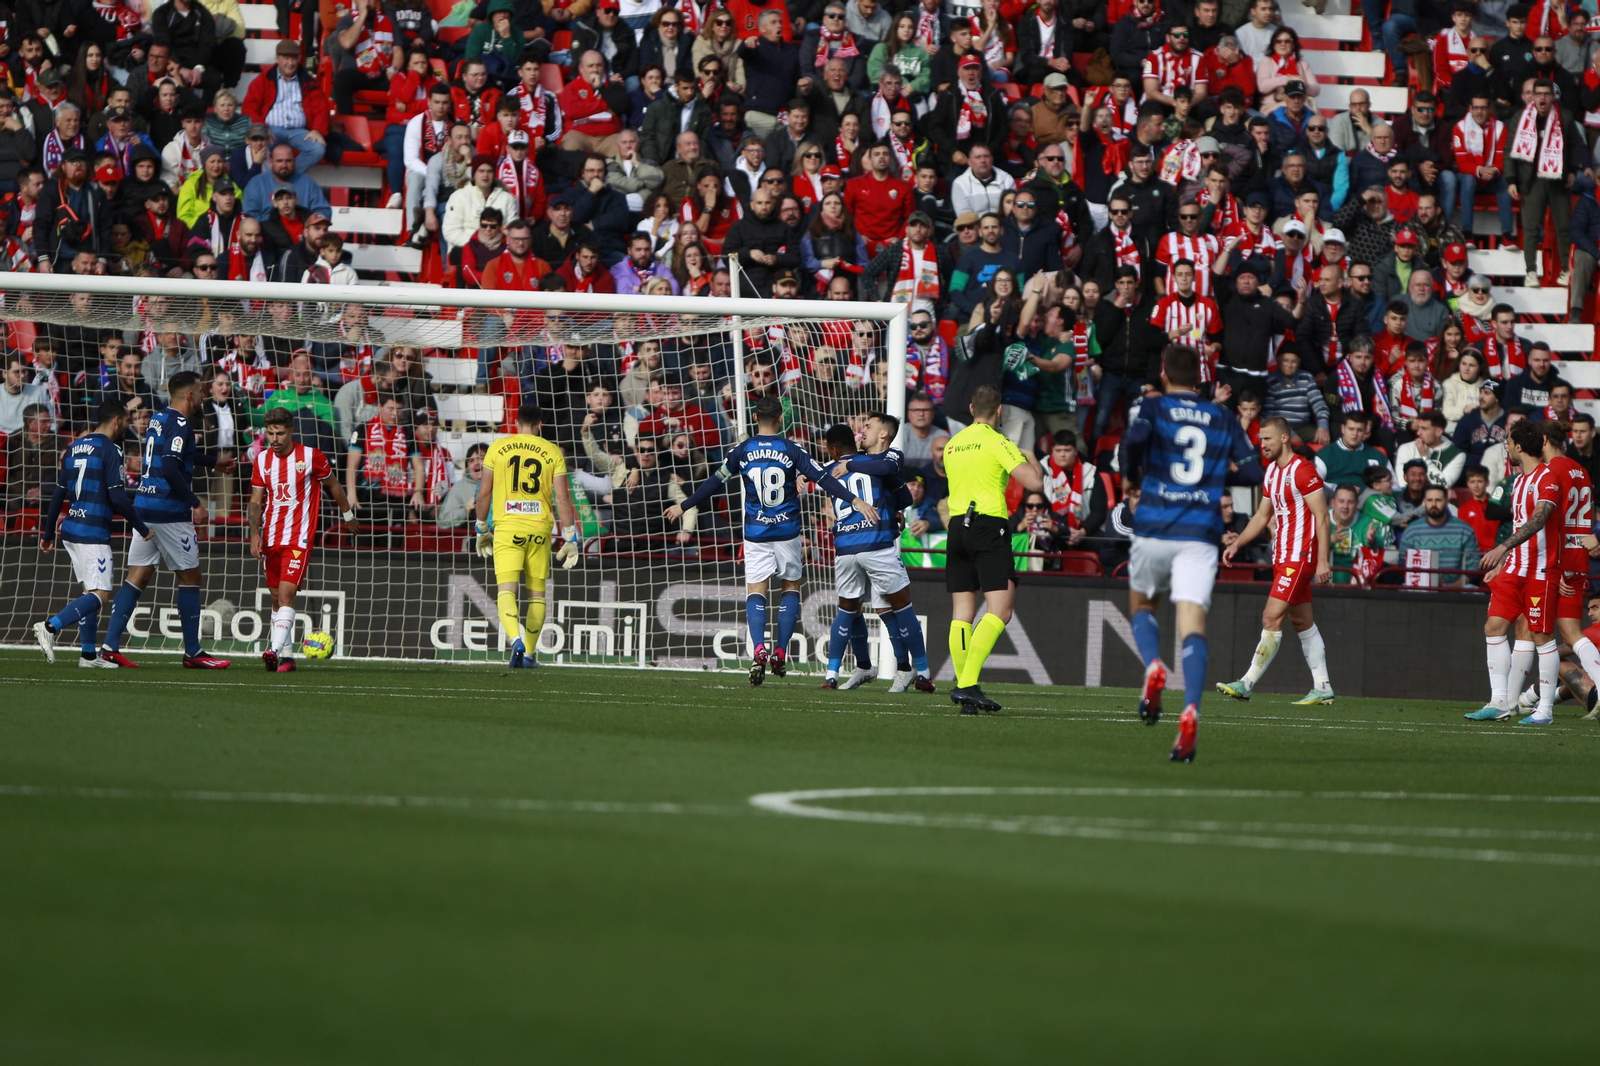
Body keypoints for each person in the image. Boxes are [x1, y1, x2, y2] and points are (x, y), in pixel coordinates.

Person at [667, 394, 878, 685]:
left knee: (756, 591)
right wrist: (855, 500)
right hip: (788, 532)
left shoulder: (742, 450)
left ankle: (758, 650)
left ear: (755, 417)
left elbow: (715, 481)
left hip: (755, 532)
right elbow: (825, 479)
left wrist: (683, 505)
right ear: (781, 419)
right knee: (790, 587)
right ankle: (780, 650)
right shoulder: (792, 449)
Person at [1121, 345, 1261, 761]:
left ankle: (1152, 666)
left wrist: (1132, 475)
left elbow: (1138, 438)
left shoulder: (1154, 405)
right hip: (1200, 531)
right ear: (1200, 378)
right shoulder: (1221, 417)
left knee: (1143, 603)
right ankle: (1191, 710)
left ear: (1164, 374)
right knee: (1192, 625)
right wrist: (1222, 470)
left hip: (1155, 523)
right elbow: (1252, 469)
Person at [99, 371, 237, 669]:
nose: (203, 397)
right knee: (190, 577)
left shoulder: (159, 418)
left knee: (138, 576)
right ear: (190, 395)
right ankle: (193, 652)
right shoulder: (182, 423)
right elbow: (171, 468)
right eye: (201, 392)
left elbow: (173, 455)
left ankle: (109, 646)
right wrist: (195, 503)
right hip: (170, 512)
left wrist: (214, 462)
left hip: (145, 507)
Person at [1216, 417, 1335, 704]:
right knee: (1302, 621)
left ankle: (1246, 683)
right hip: (1283, 558)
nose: (1262, 444)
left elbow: (1322, 516)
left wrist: (1322, 561)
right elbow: (1261, 516)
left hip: (1300, 557)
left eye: (1267, 438)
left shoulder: (1304, 472)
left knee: (1271, 617)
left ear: (1284, 438)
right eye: (1261, 440)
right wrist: (1238, 543)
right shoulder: (1271, 472)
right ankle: (1323, 686)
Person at [939, 383, 1043, 713]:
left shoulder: (952, 445)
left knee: (962, 615)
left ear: (971, 409)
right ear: (999, 412)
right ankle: (966, 685)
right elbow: (1034, 483)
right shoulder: (998, 441)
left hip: (956, 528)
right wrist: (1032, 459)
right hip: (987, 525)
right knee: (1000, 610)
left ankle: (965, 694)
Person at [820, 416, 935, 693]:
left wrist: (848, 464)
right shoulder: (856, 461)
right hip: (858, 542)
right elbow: (902, 496)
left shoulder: (891, 455)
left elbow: (899, 489)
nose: (863, 430)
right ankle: (870, 666)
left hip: (881, 541)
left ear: (883, 434)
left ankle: (916, 671)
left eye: (868, 427)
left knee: (891, 607)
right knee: (859, 606)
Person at [32, 399, 150, 667]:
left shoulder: (73, 448)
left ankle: (88, 655)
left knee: (89, 592)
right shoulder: (111, 450)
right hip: (93, 531)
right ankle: (50, 627)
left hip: (70, 529)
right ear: (117, 420)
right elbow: (118, 498)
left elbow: (58, 494)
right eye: (127, 421)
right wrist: (141, 527)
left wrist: (48, 532)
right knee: (101, 595)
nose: (128, 426)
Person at [247, 406, 359, 673]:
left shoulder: (311, 457)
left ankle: (272, 650)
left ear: (291, 432)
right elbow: (255, 500)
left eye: (280, 433)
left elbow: (333, 485)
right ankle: (286, 658)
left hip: (299, 538)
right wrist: (254, 533)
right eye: (270, 433)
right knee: (275, 599)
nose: (274, 439)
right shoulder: (262, 460)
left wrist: (347, 515)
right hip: (271, 537)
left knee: (286, 594)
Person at [469, 405, 581, 670]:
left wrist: (481, 528)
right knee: (538, 595)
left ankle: (515, 638)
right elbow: (563, 498)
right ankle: (529, 654)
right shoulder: (552, 451)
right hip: (540, 528)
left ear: (515, 422)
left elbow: (484, 494)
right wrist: (570, 537)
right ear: (540, 424)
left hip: (507, 528)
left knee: (507, 589)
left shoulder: (498, 448)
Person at [1469, 419, 1566, 722]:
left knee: (1541, 636)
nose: (1506, 446)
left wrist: (1501, 548)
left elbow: (1538, 520)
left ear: (1520, 446)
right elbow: (1520, 525)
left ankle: (1545, 710)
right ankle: (1500, 702)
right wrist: (1503, 560)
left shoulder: (1547, 478)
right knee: (1493, 627)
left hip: (1540, 571)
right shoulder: (1519, 480)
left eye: (1509, 441)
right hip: (1514, 569)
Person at [1506, 78, 1585, 287]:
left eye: (1546, 94)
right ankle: (1531, 271)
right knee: (1531, 228)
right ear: (1532, 96)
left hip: (1558, 179)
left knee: (1563, 227)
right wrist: (1511, 179)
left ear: (1552, 97)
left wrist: (1573, 171)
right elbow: (1509, 151)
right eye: (1538, 93)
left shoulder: (1565, 117)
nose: (1541, 98)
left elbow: (1577, 145)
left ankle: (1566, 270)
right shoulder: (1520, 118)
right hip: (1531, 180)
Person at [1397, 483, 1482, 586]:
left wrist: (1453, 586)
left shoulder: (1464, 529)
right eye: (1429, 500)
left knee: (1472, 590)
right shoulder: (1412, 530)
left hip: (1456, 588)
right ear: (1425, 502)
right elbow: (1403, 563)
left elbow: (1474, 566)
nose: (1433, 504)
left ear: (1446, 502)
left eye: (1438, 500)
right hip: (1420, 587)